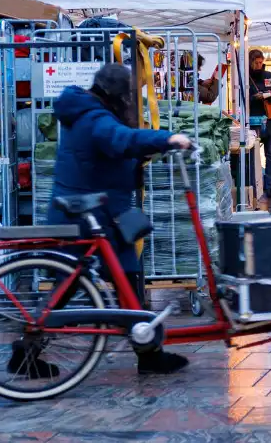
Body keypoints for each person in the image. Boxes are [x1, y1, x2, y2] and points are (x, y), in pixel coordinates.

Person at [30, 64, 194, 378]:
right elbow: (121, 139)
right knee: (84, 284)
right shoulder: (96, 118)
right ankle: (27, 346)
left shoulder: (85, 112)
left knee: (120, 280)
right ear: (117, 95)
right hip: (89, 217)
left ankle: (148, 353)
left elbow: (110, 154)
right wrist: (167, 138)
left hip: (98, 214)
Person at [248, 49, 271, 210]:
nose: (259, 65)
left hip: (270, 120)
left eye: (261, 62)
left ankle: (269, 185)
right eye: (256, 62)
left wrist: (268, 95)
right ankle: (255, 186)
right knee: (254, 155)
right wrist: (253, 98)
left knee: (270, 154)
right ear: (250, 61)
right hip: (253, 119)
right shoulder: (245, 76)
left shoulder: (268, 75)